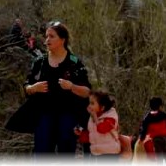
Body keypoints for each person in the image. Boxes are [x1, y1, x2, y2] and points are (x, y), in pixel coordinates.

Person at [23, 21, 91, 155]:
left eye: (52, 36)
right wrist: (33, 88)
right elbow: (26, 86)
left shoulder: (74, 63)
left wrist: (72, 87)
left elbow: (87, 92)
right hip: (43, 116)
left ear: (62, 40)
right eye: (46, 36)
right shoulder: (39, 62)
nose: (47, 40)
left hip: (68, 116)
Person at [84, 90, 122, 157]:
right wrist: (81, 134)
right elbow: (91, 134)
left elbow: (102, 129)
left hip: (110, 153)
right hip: (96, 154)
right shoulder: (92, 118)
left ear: (102, 107)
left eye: (92, 103)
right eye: (89, 103)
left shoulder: (110, 117)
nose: (89, 106)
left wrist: (95, 118)